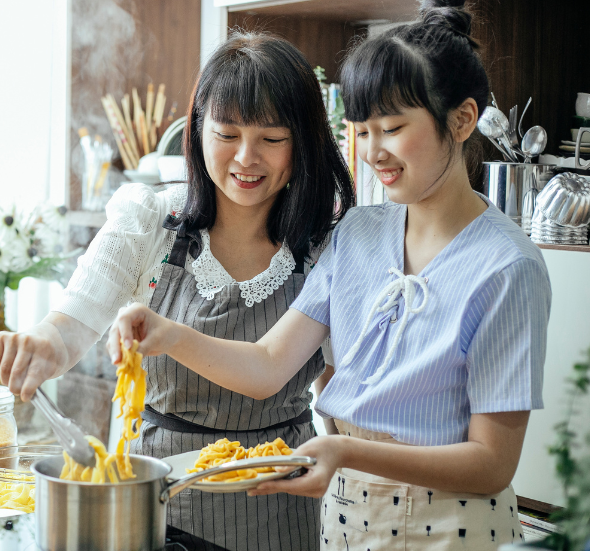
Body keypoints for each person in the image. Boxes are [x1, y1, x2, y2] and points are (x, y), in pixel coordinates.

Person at [107, 2, 552, 549]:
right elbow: (269, 364)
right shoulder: (358, 233)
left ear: (461, 120)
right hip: (344, 514)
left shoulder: (508, 267)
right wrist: (166, 332)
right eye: (361, 131)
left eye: (390, 129)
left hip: (450, 523)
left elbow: (491, 465)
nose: (372, 153)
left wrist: (345, 450)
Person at [0, 32, 353, 551]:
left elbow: (337, 389)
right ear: (199, 129)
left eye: (272, 139)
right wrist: (42, 346)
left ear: (304, 143)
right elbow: (72, 323)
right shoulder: (151, 219)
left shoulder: (327, 245)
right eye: (227, 134)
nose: (246, 159)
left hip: (282, 502)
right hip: (154, 498)